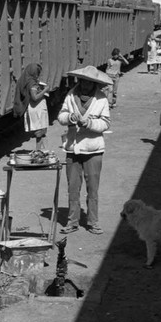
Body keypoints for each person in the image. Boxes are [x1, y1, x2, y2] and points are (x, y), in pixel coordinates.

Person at [58, 65, 111, 235]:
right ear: (79, 81)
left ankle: (93, 222)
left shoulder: (101, 99)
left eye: (89, 83)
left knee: (92, 189)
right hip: (73, 148)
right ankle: (72, 222)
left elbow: (106, 123)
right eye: (83, 82)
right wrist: (70, 118)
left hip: (93, 150)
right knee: (73, 188)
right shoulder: (71, 95)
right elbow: (61, 116)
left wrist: (90, 124)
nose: (85, 85)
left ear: (94, 83)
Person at [13, 63, 50, 150]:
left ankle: (42, 151)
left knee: (40, 132)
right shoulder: (32, 83)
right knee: (41, 132)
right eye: (37, 73)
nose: (38, 76)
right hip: (36, 109)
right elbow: (34, 97)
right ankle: (39, 152)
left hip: (31, 108)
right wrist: (45, 89)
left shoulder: (24, 80)